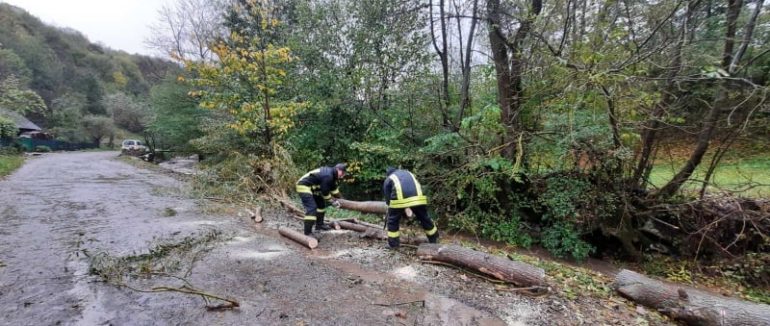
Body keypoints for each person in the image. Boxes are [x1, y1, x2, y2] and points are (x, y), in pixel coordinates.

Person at [382, 167, 439, 248]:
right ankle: (434, 238)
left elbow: (388, 197)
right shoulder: (408, 173)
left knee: (392, 221)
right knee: (424, 218)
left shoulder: (389, 178)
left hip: (400, 201)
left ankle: (393, 245)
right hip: (418, 198)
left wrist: (390, 208)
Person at [296, 163, 346, 235]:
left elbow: (335, 191)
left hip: (312, 188)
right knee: (312, 208)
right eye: (342, 173)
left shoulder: (332, 177)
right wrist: (332, 201)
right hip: (304, 185)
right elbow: (325, 193)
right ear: (338, 169)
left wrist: (343, 201)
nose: (342, 175)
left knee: (321, 205)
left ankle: (319, 225)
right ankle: (307, 233)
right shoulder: (328, 176)